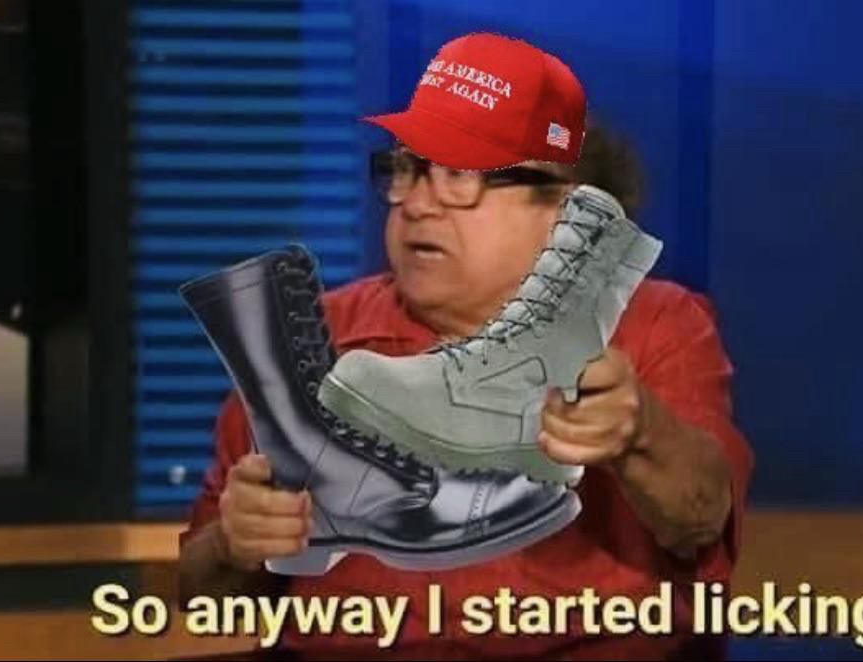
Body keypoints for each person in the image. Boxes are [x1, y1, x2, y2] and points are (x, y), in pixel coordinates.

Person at [179, 32, 753, 658]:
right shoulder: (317, 338)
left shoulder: (656, 325)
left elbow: (701, 520)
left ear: (563, 209)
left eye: (459, 175)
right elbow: (202, 597)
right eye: (407, 171)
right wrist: (233, 543)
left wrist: (639, 435)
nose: (418, 205)